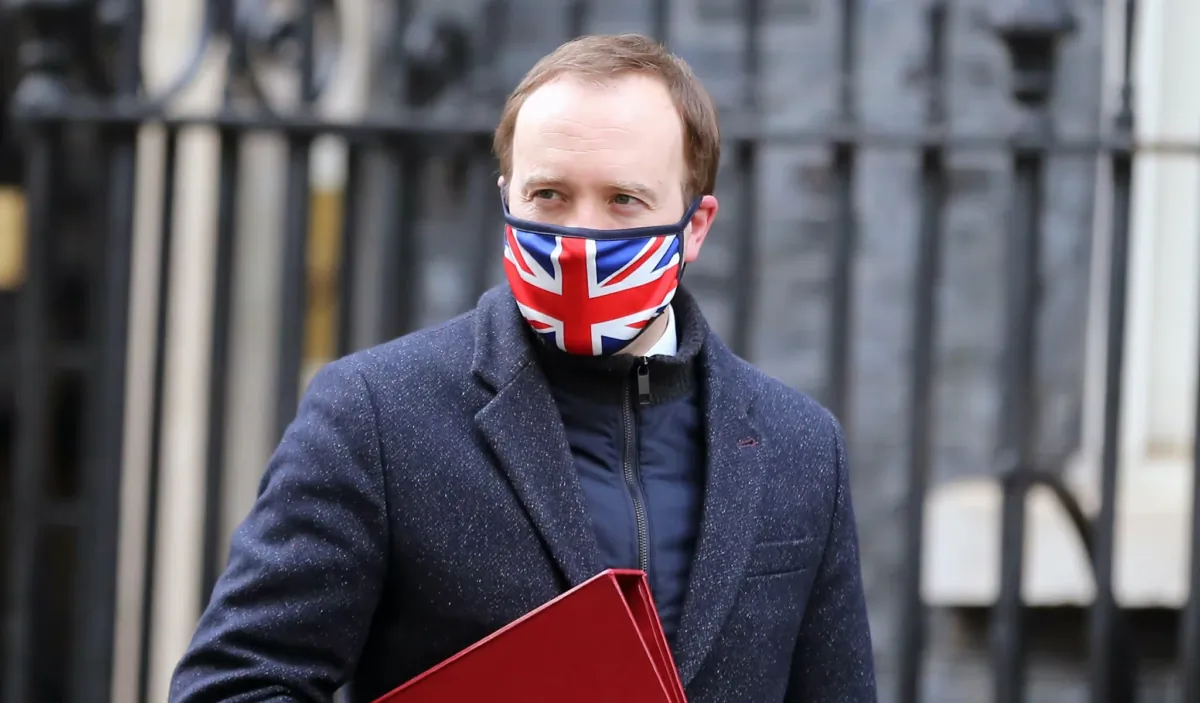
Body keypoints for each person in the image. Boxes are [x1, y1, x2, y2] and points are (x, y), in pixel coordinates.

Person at [170, 33, 875, 703]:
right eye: (550, 196)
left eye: (624, 200)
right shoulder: (375, 415)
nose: (581, 238)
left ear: (695, 225)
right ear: (508, 197)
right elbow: (235, 683)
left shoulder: (800, 447)